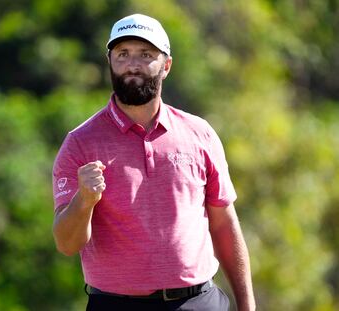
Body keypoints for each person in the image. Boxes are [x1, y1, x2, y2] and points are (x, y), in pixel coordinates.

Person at [52, 13, 255, 311]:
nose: (132, 64)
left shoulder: (200, 133)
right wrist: (84, 200)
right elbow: (66, 244)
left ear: (166, 65)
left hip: (199, 301)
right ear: (110, 62)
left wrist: (247, 305)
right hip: (115, 304)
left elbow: (224, 224)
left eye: (145, 54)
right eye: (123, 54)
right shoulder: (80, 142)